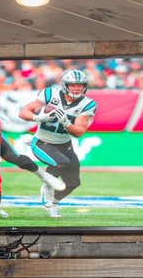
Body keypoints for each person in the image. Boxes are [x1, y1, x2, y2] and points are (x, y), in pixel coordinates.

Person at [14, 67, 98, 217]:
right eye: (73, 84)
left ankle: (53, 204)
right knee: (62, 162)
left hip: (65, 145)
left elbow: (78, 132)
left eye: (80, 85)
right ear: (65, 85)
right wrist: (37, 118)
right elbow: (23, 112)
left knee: (73, 182)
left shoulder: (87, 104)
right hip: (42, 141)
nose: (77, 88)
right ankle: (47, 186)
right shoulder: (50, 94)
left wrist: (66, 123)